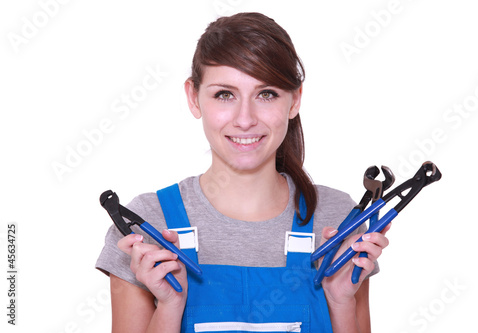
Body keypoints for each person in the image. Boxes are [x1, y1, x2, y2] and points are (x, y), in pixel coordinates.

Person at [96, 12, 390, 333]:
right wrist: (169, 306)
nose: (245, 119)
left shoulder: (338, 218)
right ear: (194, 98)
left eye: (267, 94)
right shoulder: (144, 225)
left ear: (294, 101)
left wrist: (340, 302)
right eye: (225, 94)